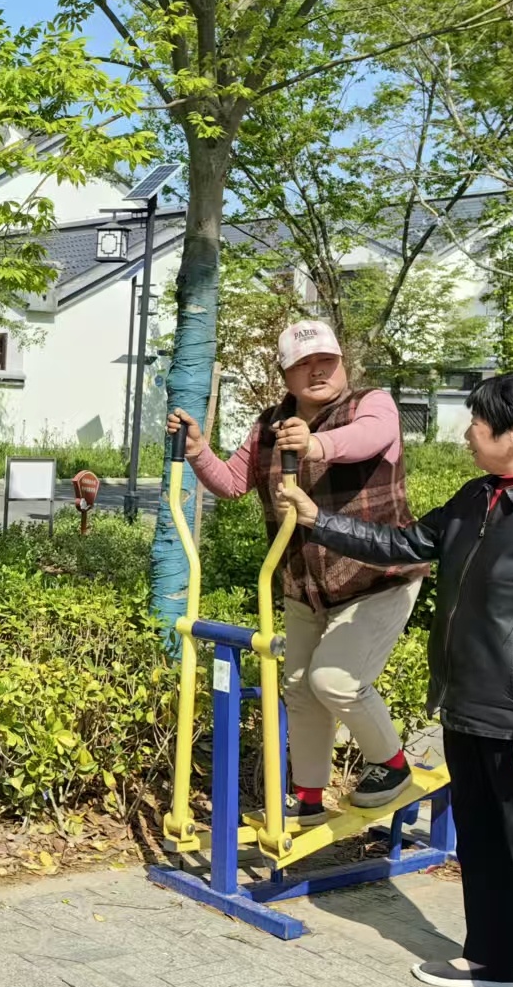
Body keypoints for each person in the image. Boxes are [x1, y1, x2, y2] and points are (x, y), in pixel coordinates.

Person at [277, 370, 513, 987]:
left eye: (478, 421)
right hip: (467, 704)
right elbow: (405, 545)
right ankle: (491, 958)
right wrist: (322, 521)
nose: (467, 432)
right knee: (485, 845)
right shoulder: (478, 498)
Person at [168, 319, 427, 821]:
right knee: (300, 691)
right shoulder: (269, 425)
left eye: (325, 362)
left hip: (378, 577)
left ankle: (392, 765)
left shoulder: (371, 404)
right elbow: (231, 483)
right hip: (304, 584)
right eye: (302, 365)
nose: (316, 372)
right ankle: (307, 798)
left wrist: (314, 445)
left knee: (335, 680)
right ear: (285, 374)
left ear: (342, 362)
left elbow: (370, 439)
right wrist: (200, 452)